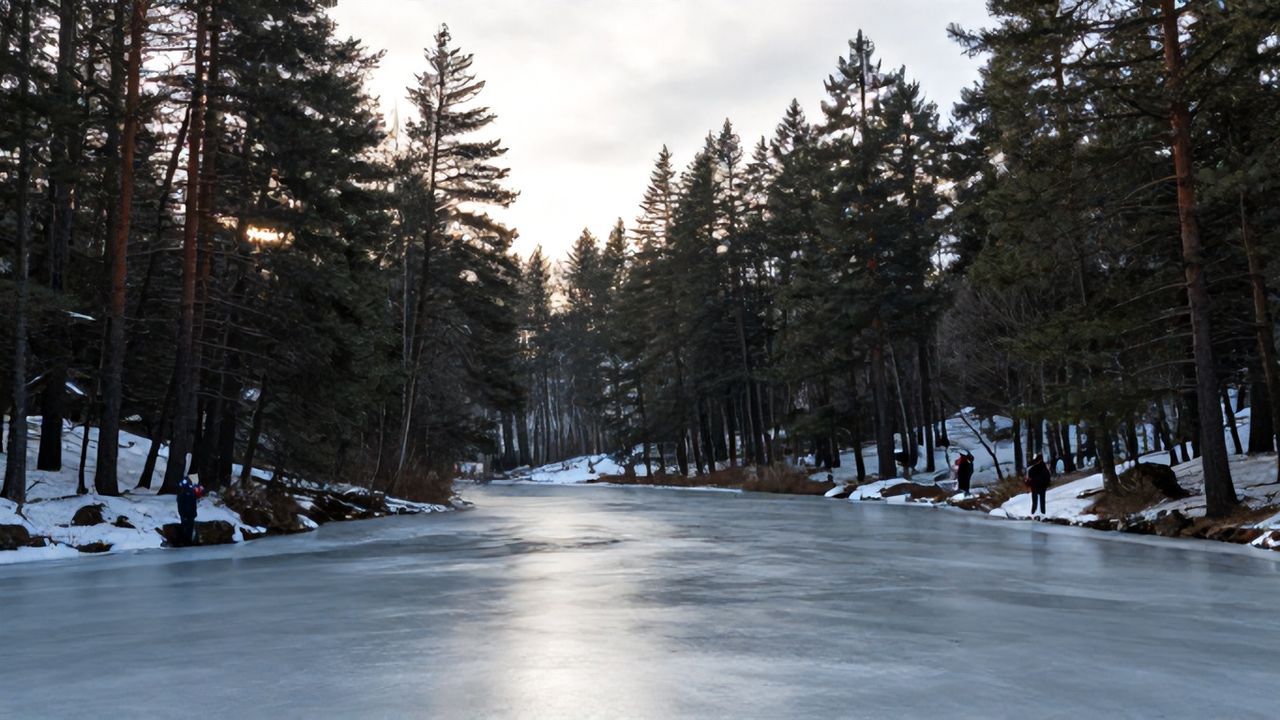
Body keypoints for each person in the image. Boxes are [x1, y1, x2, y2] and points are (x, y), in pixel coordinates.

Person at [176, 475, 206, 546]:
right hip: (185, 513)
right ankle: (184, 541)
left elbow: (197, 497)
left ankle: (187, 541)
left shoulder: (191, 492)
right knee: (185, 527)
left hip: (190, 513)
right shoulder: (182, 494)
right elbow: (180, 504)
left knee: (189, 527)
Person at [1025, 453, 1051, 517]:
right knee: (1042, 501)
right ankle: (1043, 513)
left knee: (1034, 501)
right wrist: (1046, 484)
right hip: (1042, 486)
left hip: (1034, 486)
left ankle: (1033, 513)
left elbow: (1029, 477)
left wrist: (1029, 484)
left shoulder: (1032, 468)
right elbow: (1048, 477)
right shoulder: (1044, 468)